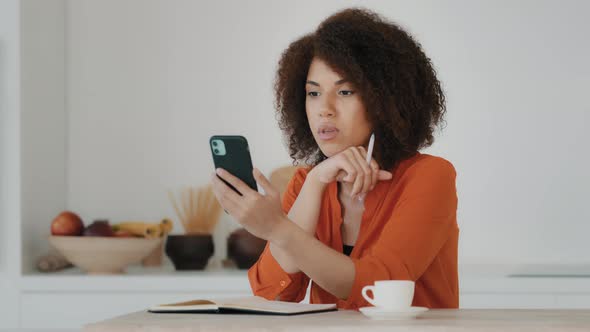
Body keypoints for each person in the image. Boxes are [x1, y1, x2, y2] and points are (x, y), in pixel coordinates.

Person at [210, 7, 459, 310]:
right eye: (313, 93)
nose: (324, 108)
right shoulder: (307, 182)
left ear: (385, 100)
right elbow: (272, 294)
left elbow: (378, 288)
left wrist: (278, 228)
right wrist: (315, 182)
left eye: (345, 92)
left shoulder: (430, 177)